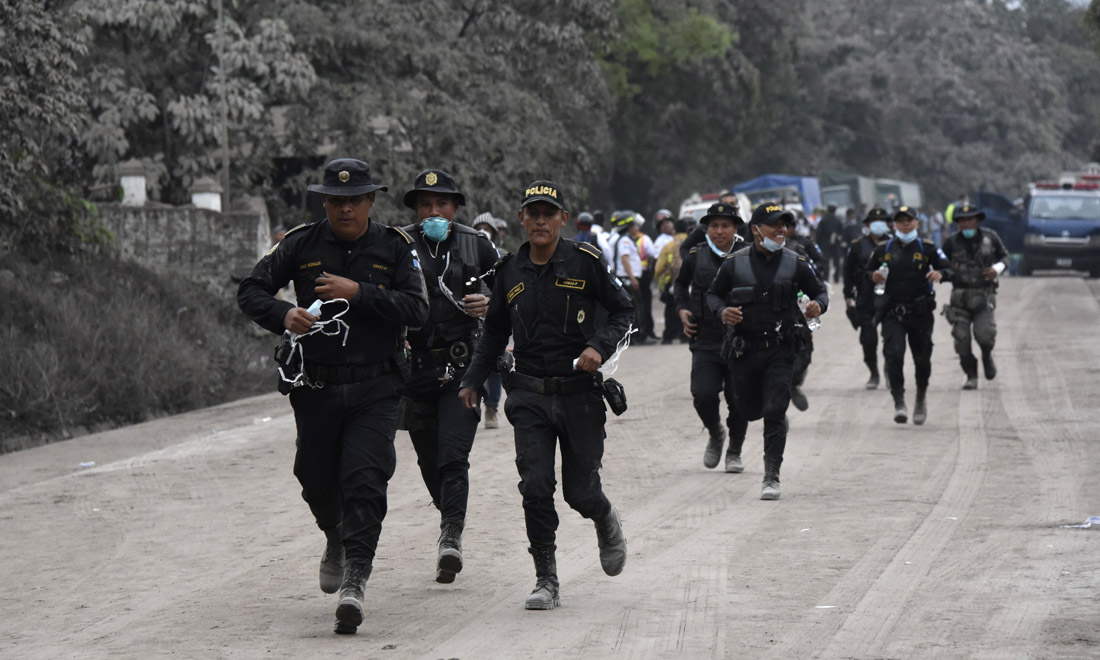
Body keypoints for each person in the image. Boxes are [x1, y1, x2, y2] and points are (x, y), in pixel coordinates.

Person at [237, 158, 429, 634]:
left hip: (376, 387)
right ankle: (335, 537)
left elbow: (418, 309)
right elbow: (250, 290)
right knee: (315, 476)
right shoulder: (301, 243)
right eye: (336, 201)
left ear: (370, 201)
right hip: (315, 385)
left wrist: (359, 292)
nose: (346, 209)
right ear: (325, 202)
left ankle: (356, 581)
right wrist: (284, 314)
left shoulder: (395, 246)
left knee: (365, 481)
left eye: (355, 201)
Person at [457, 180, 633, 610]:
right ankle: (546, 580)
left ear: (562, 219)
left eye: (548, 213)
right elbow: (495, 332)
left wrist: (597, 346)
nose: (540, 220)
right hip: (530, 395)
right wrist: (472, 380)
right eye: (532, 213)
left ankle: (605, 518)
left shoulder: (586, 261)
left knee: (579, 491)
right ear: (521, 218)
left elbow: (625, 310)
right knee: (535, 487)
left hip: (579, 396)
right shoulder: (509, 271)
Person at [396, 169, 500, 584]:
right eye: (424, 205)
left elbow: (513, 292)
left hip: (463, 370)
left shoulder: (478, 245)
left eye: (441, 204)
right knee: (428, 460)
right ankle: (449, 516)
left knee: (453, 455)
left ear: (456, 207)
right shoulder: (398, 245)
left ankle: (451, 536)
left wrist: (489, 305)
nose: (433, 211)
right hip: (415, 371)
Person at [706, 203, 827, 500]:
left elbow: (820, 291)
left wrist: (818, 306)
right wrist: (723, 312)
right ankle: (765, 415)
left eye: (785, 225)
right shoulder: (734, 263)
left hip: (781, 349)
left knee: (774, 410)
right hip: (745, 351)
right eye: (775, 225)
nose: (781, 230)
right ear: (756, 230)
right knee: (747, 409)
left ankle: (771, 476)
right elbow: (712, 294)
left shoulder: (796, 262)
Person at [673, 203, 747, 471]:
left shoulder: (747, 255)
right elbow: (680, 284)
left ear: (735, 228)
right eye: (713, 226)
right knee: (703, 395)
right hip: (704, 338)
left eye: (725, 226)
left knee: (738, 399)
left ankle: (735, 450)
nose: (718, 231)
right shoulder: (695, 255)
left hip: (740, 340)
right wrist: (681, 309)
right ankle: (716, 433)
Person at [868, 205, 953, 425]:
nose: (905, 224)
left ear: (917, 223)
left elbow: (949, 269)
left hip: (921, 313)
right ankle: (899, 401)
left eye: (909, 220)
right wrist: (874, 276)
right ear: (894, 224)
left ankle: (921, 398)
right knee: (894, 354)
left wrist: (940, 273)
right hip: (893, 312)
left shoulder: (928, 248)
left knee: (922, 359)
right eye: (901, 221)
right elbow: (868, 271)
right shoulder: (883, 248)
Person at [940, 204, 1008, 389]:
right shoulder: (951, 242)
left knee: (985, 336)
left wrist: (996, 269)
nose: (967, 223)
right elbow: (941, 264)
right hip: (960, 298)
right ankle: (971, 375)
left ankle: (986, 356)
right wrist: (943, 274)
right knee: (961, 341)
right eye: (963, 220)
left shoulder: (990, 237)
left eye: (970, 219)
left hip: (983, 295)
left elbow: (1005, 258)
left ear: (977, 220)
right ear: (958, 223)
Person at [843, 207, 893, 389]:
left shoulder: (894, 244)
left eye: (882, 221)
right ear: (867, 224)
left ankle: (889, 370)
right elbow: (848, 272)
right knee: (868, 341)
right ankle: (874, 372)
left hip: (890, 299)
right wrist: (848, 298)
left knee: (892, 339)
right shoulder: (857, 246)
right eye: (874, 221)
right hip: (865, 299)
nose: (879, 224)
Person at [781, 214, 827, 412]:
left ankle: (792, 384)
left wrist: (816, 302)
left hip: (798, 311)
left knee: (804, 355)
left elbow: (818, 277)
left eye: (785, 227)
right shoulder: (751, 255)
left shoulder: (801, 249)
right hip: (769, 317)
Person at [612, 212, 652, 344]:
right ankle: (637, 336)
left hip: (629, 278)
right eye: (634, 225)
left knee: (634, 307)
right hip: (628, 279)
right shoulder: (625, 240)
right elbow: (625, 259)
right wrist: (632, 278)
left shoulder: (627, 239)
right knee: (635, 308)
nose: (637, 227)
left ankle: (635, 336)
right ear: (628, 226)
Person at [655, 217, 691, 344]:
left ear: (675, 230)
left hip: (672, 283)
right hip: (691, 283)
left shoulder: (668, 246)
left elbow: (658, 268)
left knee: (670, 310)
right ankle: (686, 335)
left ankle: (668, 336)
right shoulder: (693, 243)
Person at [816, 204, 844, 283]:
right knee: (837, 261)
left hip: (825, 244)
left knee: (826, 261)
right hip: (836, 244)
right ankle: (836, 278)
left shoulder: (823, 220)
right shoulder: (837, 220)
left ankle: (826, 278)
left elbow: (818, 233)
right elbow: (841, 233)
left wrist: (818, 243)